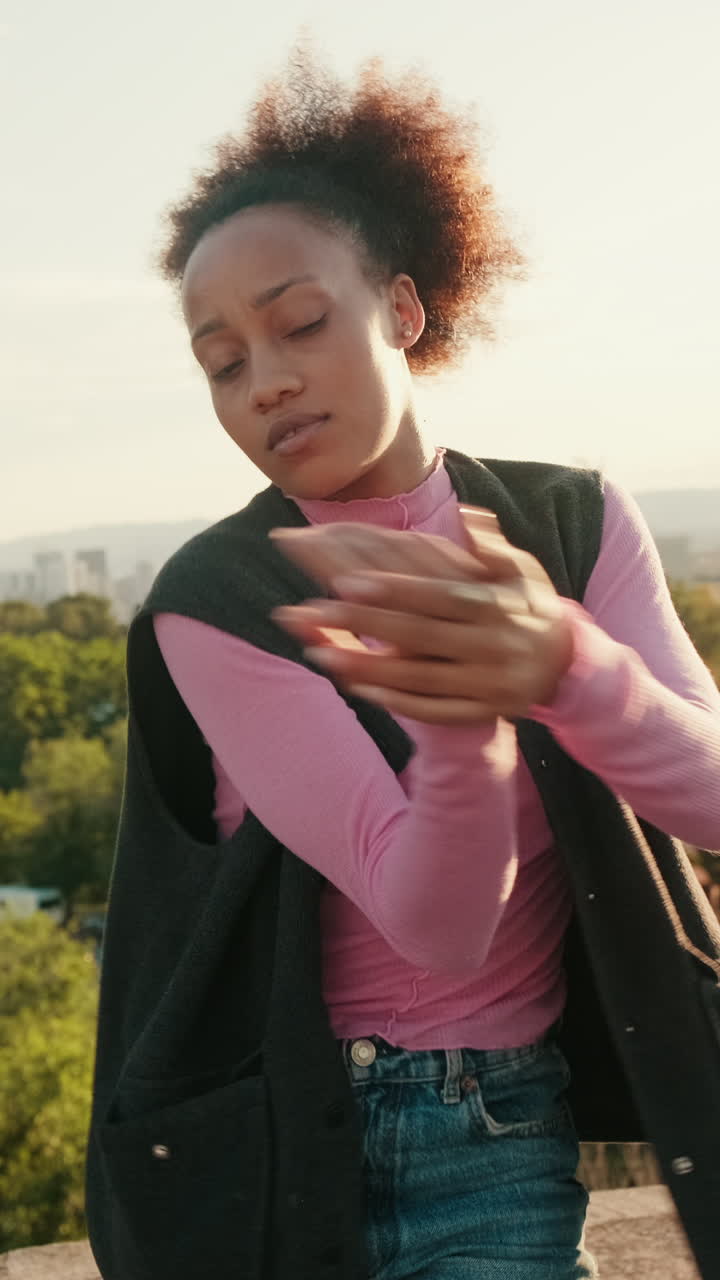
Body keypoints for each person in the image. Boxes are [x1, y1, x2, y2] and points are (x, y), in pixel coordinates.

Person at [85, 50, 720, 1280]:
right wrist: (461, 716)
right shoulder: (221, 600)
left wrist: (564, 664)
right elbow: (433, 921)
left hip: (496, 1138)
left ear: (406, 309)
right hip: (271, 1156)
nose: (265, 379)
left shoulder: (571, 525)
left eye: (300, 323)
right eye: (221, 361)